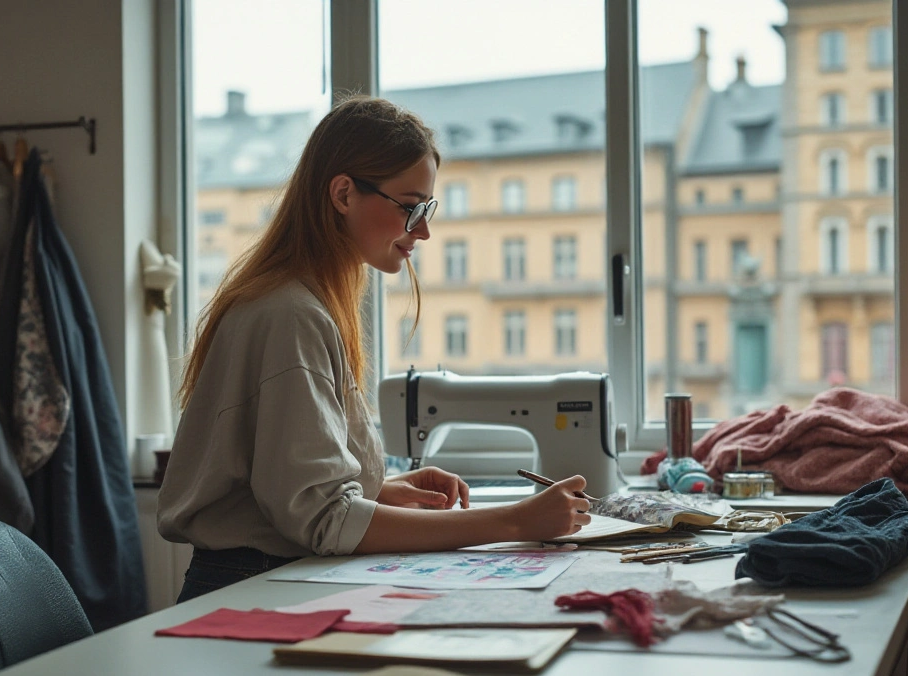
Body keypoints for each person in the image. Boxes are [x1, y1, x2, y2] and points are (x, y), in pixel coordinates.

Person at [157, 96, 591, 603]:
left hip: (267, 578)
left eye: (425, 209)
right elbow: (322, 519)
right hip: (249, 588)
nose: (424, 230)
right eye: (411, 207)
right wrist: (515, 520)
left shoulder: (300, 302)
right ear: (343, 193)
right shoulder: (291, 315)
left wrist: (379, 487)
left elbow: (279, 481)